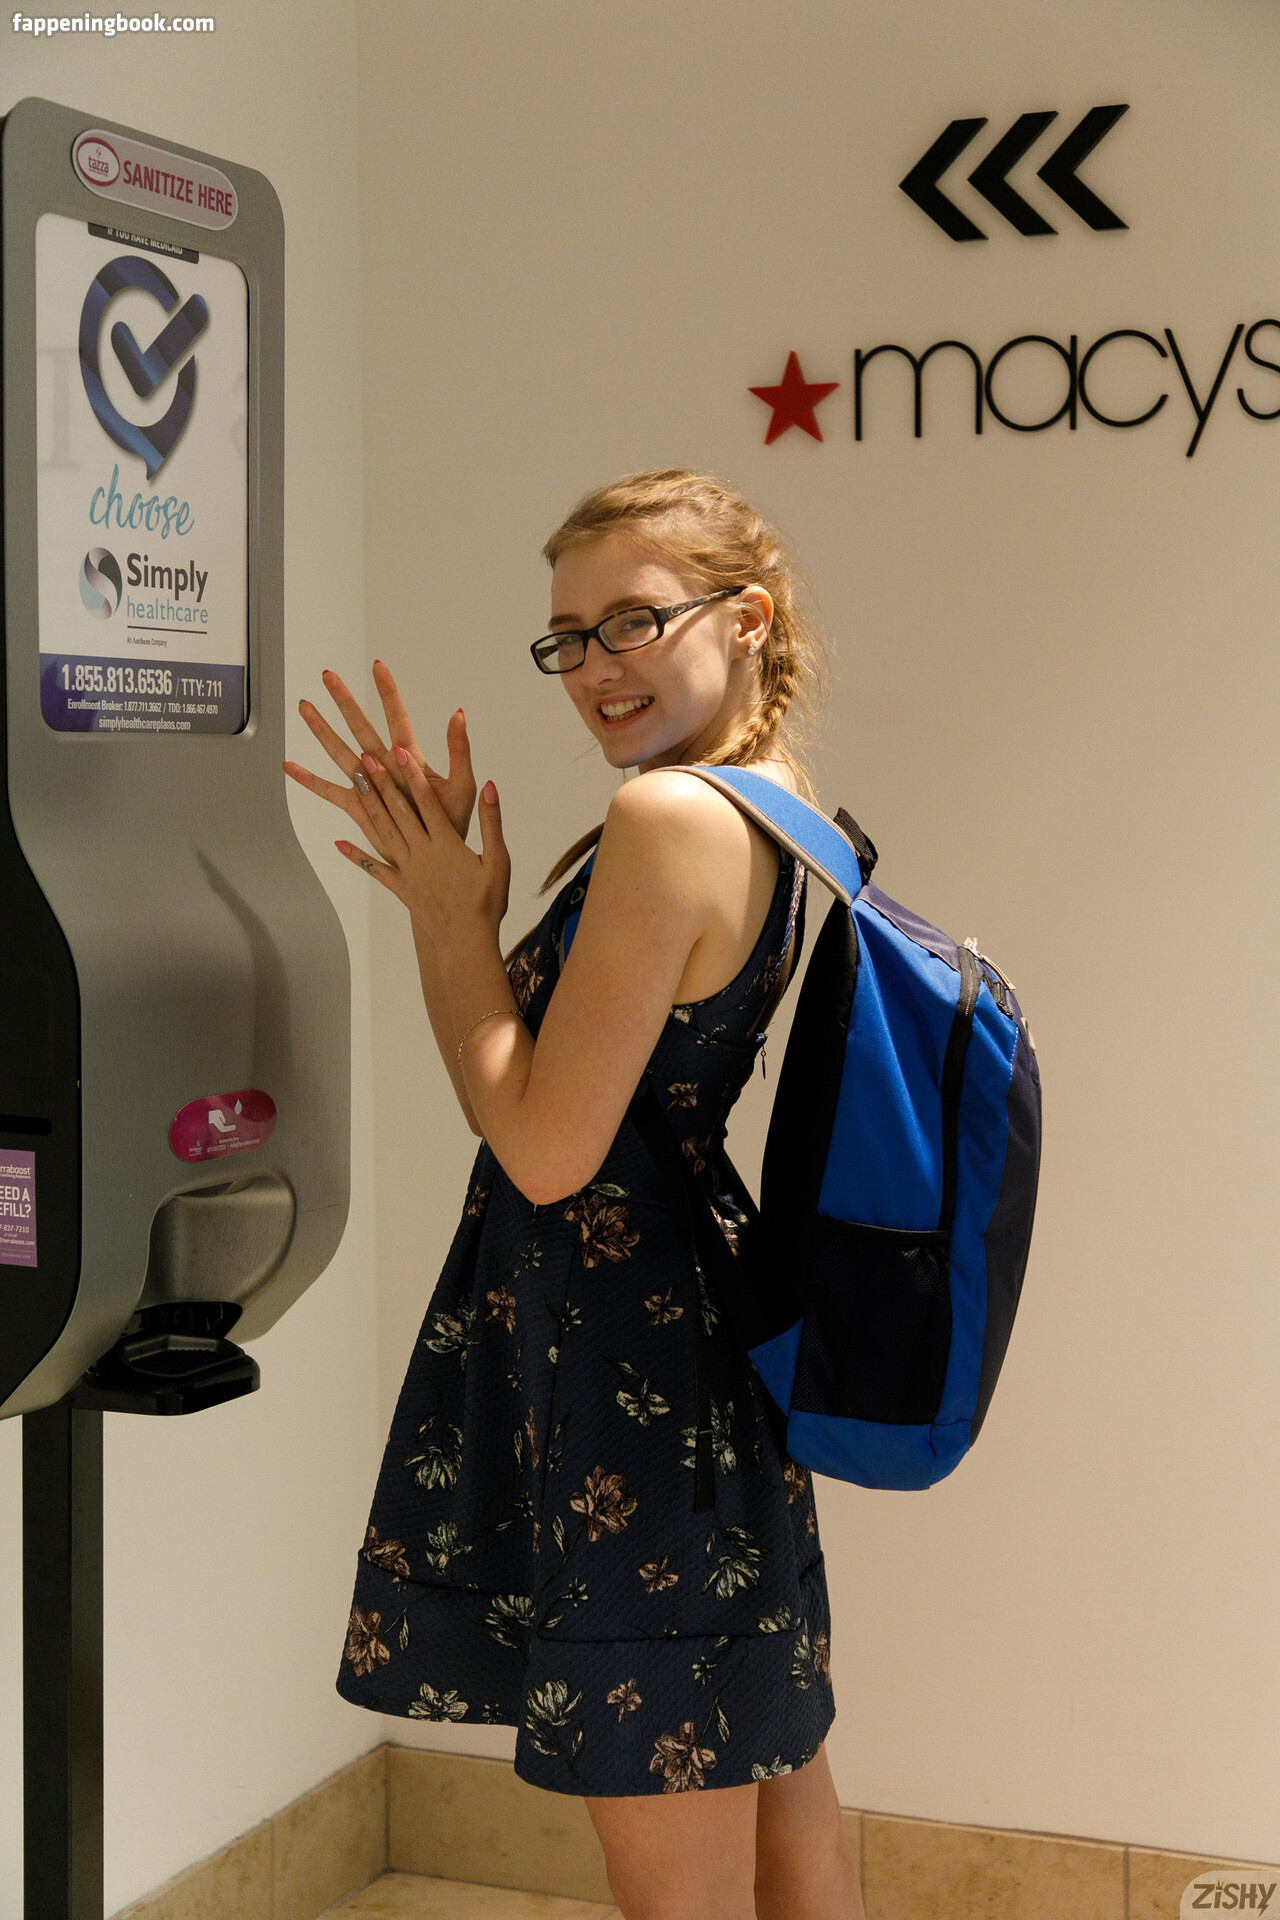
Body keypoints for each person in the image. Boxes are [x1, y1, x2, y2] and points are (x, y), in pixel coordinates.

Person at [283, 469, 865, 1920]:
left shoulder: (668, 816)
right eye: (570, 636)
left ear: (748, 618)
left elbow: (547, 1147)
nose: (597, 666)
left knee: (683, 1881)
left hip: (628, 1381)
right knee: (788, 1820)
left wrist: (449, 922)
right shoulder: (775, 801)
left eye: (634, 621)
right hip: (695, 1354)